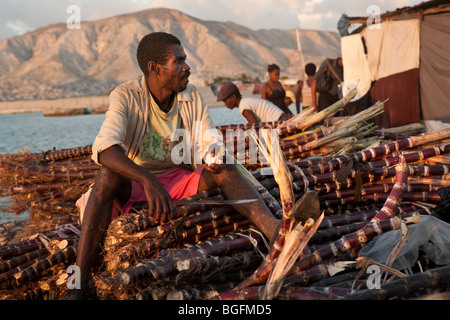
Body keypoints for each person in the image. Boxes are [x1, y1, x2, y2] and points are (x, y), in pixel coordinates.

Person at [73, 32, 280, 298]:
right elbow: (104, 148)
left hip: (181, 180)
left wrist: (213, 153)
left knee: (226, 166)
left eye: (185, 60)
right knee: (106, 176)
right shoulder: (126, 96)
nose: (187, 67)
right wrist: (149, 180)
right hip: (139, 184)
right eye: (178, 61)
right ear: (154, 69)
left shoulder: (192, 96)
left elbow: (209, 135)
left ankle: (274, 230)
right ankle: (79, 282)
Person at [217, 82, 289, 123]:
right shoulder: (245, 102)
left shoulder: (244, 107)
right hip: (283, 118)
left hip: (281, 122)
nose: (225, 104)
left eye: (225, 101)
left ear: (233, 97)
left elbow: (255, 127)